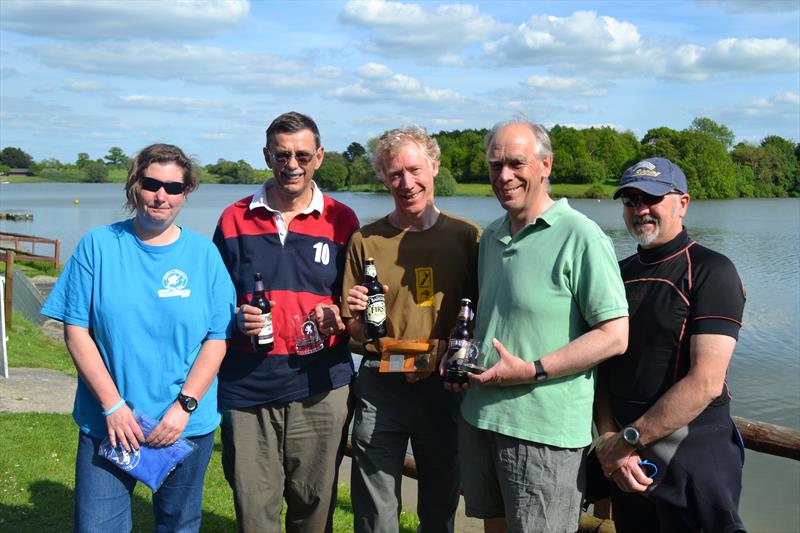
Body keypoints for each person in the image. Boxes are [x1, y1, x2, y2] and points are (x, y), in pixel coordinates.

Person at [40, 143, 236, 532]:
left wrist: (185, 406)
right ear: (134, 185)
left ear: (186, 193)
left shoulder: (204, 256)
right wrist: (113, 406)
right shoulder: (98, 246)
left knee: (178, 525)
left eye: (174, 187)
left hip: (183, 426)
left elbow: (218, 336)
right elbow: (76, 329)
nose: (161, 195)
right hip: (109, 423)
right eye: (151, 183)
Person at [452, 120, 629, 533]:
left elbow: (615, 334)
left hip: (543, 433)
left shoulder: (582, 236)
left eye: (517, 163)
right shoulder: (493, 236)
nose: (504, 176)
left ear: (546, 165)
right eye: (495, 165)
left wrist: (532, 368)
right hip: (481, 419)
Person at [213, 111, 359, 533]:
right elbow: (213, 301)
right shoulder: (233, 218)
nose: (291, 164)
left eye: (302, 155)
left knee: (314, 508)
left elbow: (360, 302)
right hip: (246, 385)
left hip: (321, 385)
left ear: (319, 158)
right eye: (281, 155)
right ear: (266, 156)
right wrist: (234, 318)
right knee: (254, 509)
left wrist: (341, 316)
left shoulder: (343, 220)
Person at [594, 158, 747, 533]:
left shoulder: (713, 271)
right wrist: (610, 438)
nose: (640, 209)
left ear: (683, 203)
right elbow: (602, 369)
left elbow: (706, 382)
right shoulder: (618, 273)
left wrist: (626, 441)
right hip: (631, 464)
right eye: (630, 200)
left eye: (653, 197)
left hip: (694, 455)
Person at [342, 125, 480, 533]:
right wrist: (358, 318)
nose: (407, 183)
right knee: (374, 509)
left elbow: (484, 315)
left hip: (444, 387)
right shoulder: (365, 240)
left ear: (434, 167)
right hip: (380, 383)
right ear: (383, 177)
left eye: (415, 170)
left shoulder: (468, 237)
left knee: (439, 506)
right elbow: (352, 331)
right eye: (395, 173)